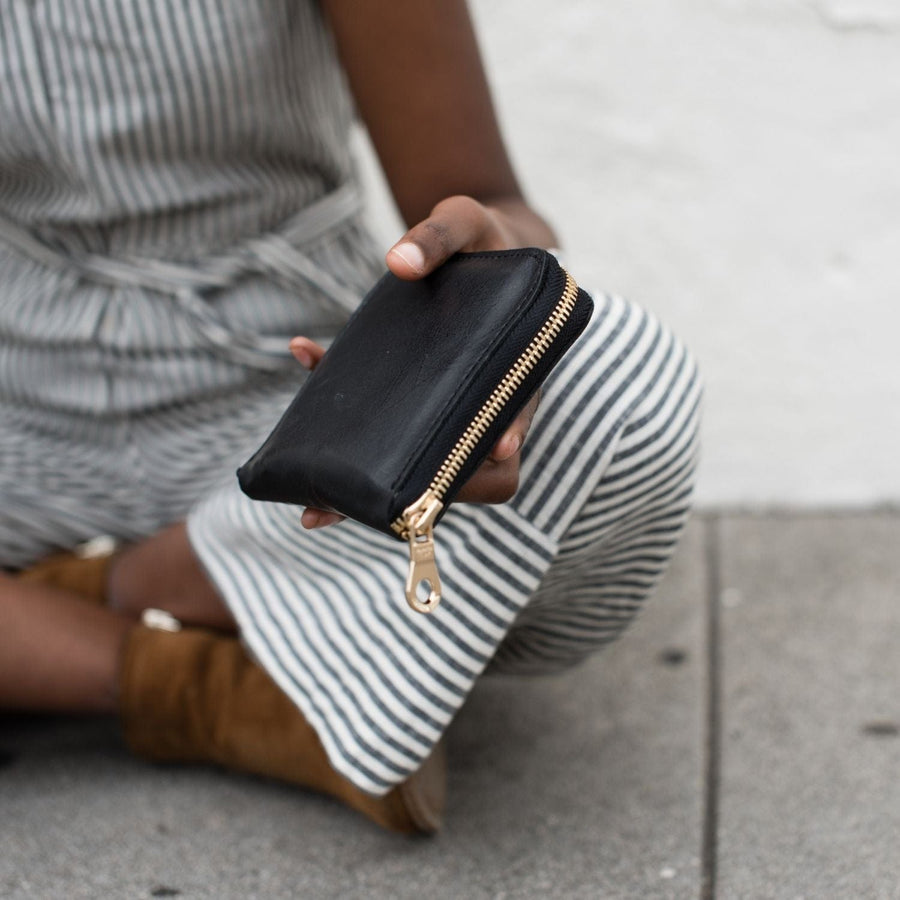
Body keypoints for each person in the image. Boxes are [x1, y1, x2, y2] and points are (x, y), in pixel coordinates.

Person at [0, 1, 701, 834]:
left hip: (297, 397)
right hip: (20, 404)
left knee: (616, 373)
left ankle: (90, 599)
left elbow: (496, 202)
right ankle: (217, 686)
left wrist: (489, 309)